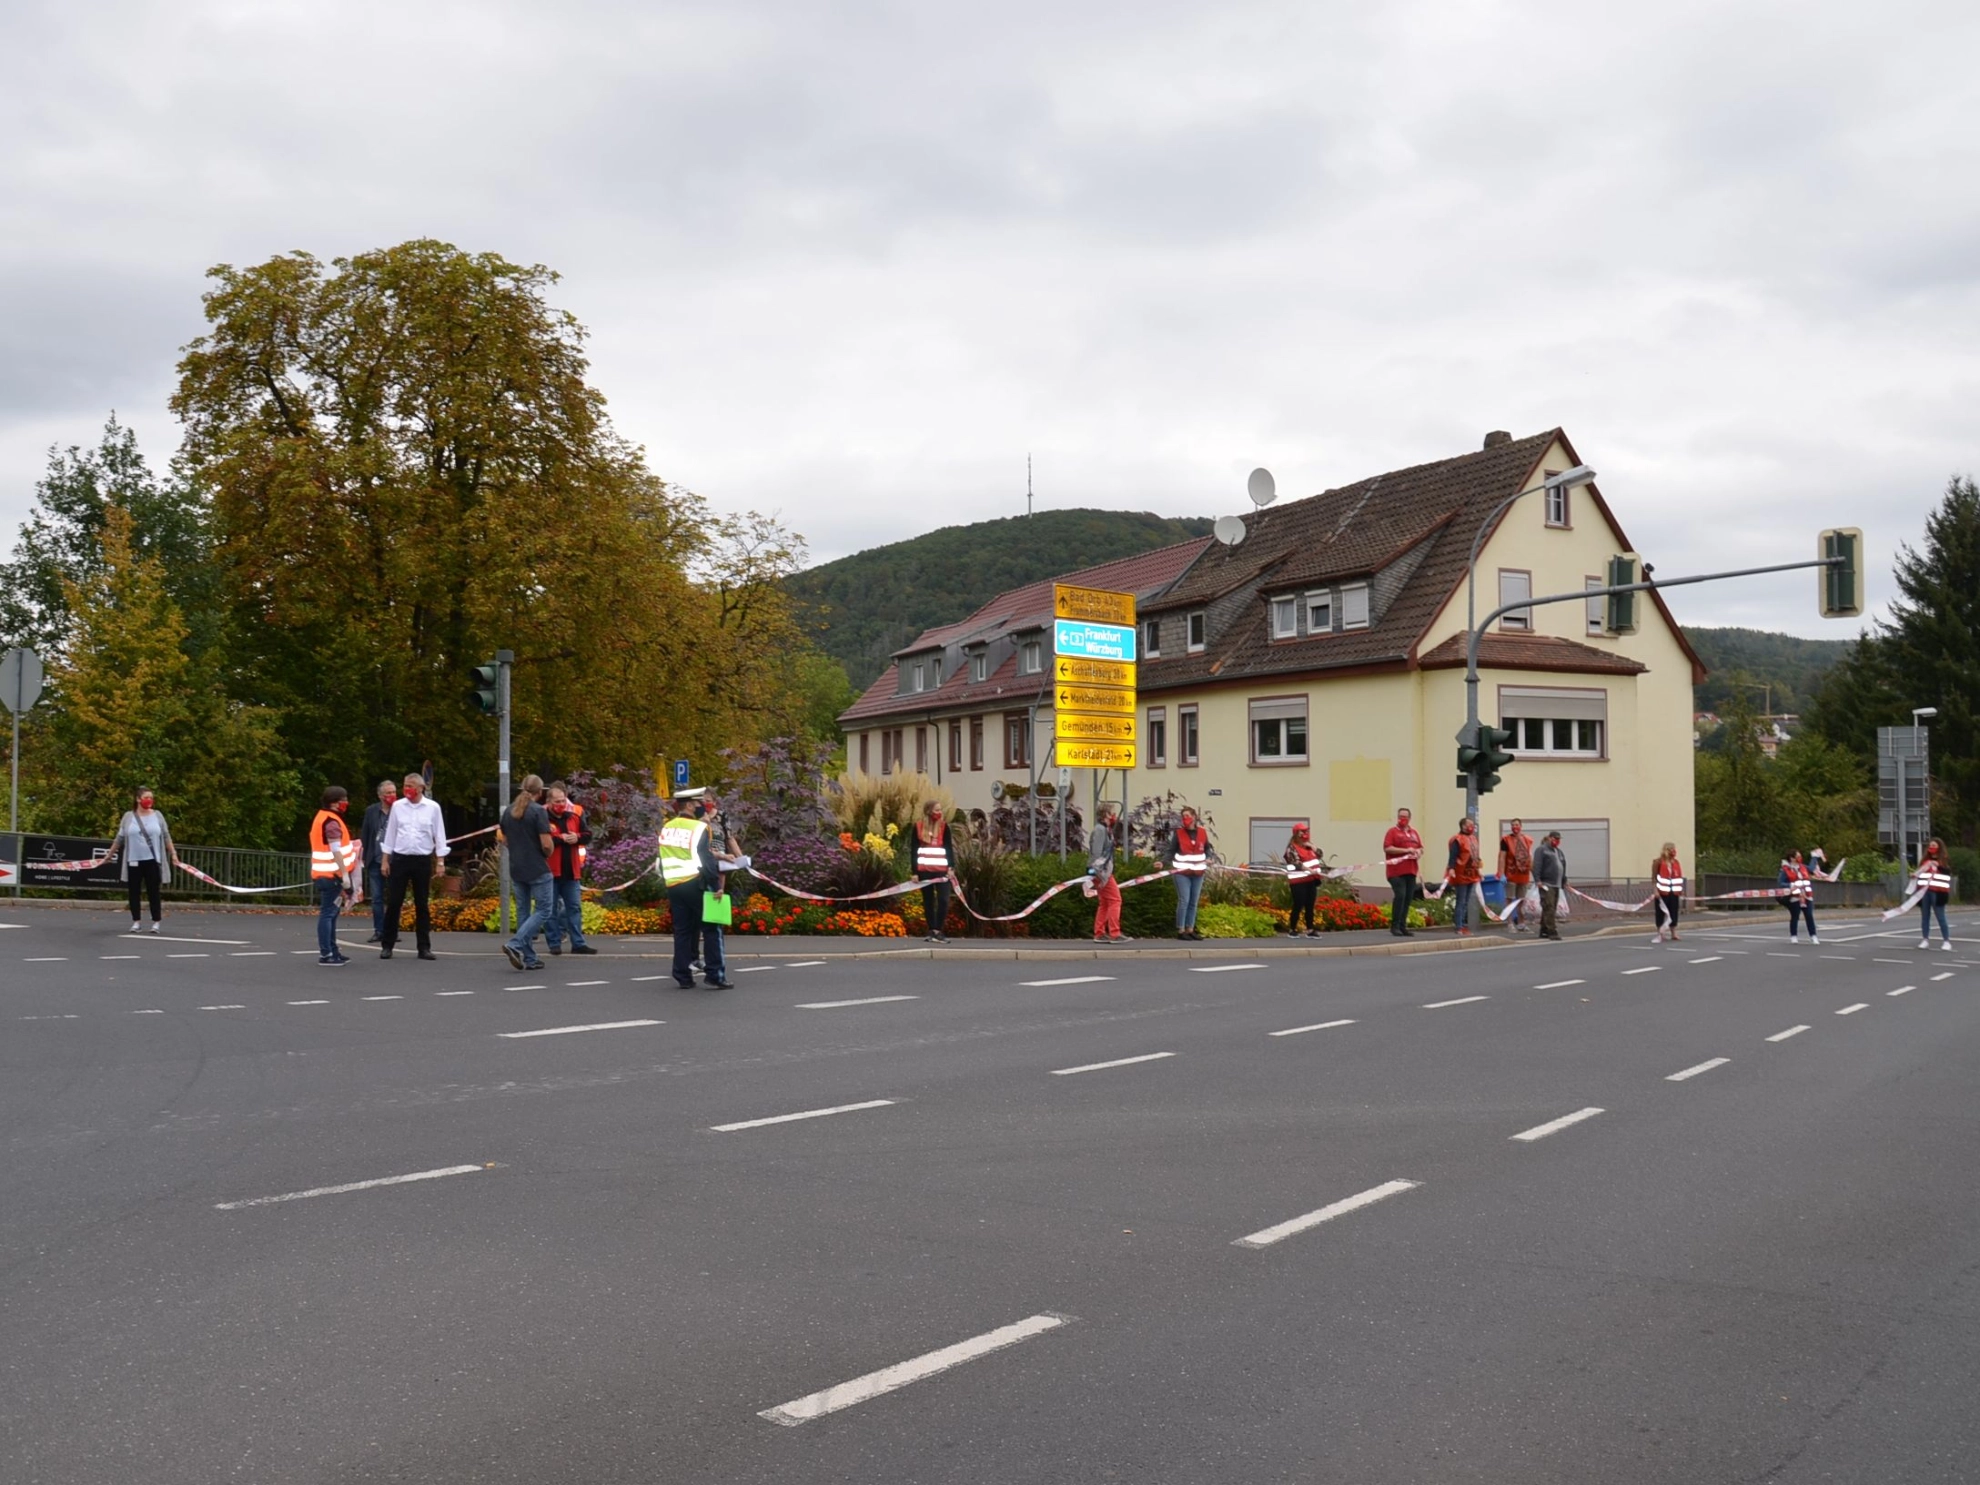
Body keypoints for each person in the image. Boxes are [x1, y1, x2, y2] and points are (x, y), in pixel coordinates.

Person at [660, 791, 728, 989]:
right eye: (698, 802)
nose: (701, 806)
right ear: (689, 805)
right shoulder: (699, 827)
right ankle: (715, 974)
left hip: (674, 885)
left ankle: (683, 975)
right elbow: (705, 859)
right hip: (696, 883)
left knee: (682, 932)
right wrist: (717, 886)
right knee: (712, 928)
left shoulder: (667, 827)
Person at [378, 771, 448, 961]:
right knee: (394, 903)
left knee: (422, 904)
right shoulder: (398, 807)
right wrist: (386, 859)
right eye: (405, 785)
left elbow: (439, 835)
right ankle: (387, 944)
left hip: (422, 859)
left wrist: (440, 861)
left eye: (410, 786)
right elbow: (390, 834)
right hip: (400, 859)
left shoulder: (433, 808)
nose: (406, 789)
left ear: (420, 788)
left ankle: (423, 947)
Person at [498, 775, 555, 971]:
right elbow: (546, 843)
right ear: (540, 792)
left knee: (524, 911)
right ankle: (514, 944)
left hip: (517, 867)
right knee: (544, 910)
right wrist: (548, 852)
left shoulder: (508, 811)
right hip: (537, 867)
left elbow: (504, 840)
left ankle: (530, 958)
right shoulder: (538, 812)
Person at [107, 787, 181, 934]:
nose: (149, 800)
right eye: (146, 797)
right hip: (134, 860)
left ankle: (156, 922)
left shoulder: (158, 816)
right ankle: (136, 922)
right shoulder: (128, 817)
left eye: (151, 798)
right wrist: (109, 854)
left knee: (153, 891)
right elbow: (120, 838)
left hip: (152, 860)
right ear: (138, 799)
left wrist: (173, 854)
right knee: (133, 892)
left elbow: (166, 836)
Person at [542, 781, 596, 957]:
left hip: (572, 872)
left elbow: (588, 835)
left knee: (574, 908)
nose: (560, 805)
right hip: (550, 871)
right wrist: (561, 839)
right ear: (549, 801)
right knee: (550, 910)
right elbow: (541, 840)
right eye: (557, 801)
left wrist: (577, 837)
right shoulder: (542, 818)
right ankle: (554, 943)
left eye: (563, 801)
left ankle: (578, 943)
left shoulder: (574, 817)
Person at [309, 786, 360, 965]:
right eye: (343, 800)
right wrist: (345, 875)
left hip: (326, 874)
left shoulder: (322, 818)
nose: (346, 803)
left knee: (331, 913)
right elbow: (335, 849)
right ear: (334, 802)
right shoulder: (331, 821)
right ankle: (326, 953)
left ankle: (332, 951)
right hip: (332, 875)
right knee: (328, 914)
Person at [1163, 806, 1212, 940]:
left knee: (1193, 902)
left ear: (1194, 817)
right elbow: (1171, 850)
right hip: (1182, 872)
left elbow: (1207, 848)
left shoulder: (1202, 833)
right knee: (1184, 900)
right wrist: (1163, 862)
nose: (1185, 819)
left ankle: (1191, 929)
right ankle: (1181, 930)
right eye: (1183, 816)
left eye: (1188, 816)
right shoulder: (1179, 834)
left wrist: (1209, 857)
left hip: (1198, 873)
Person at [360, 778, 398, 943]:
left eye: (394, 792)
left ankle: (393, 931)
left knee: (394, 897)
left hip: (395, 861)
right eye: (388, 793)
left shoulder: (400, 810)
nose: (392, 795)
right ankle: (379, 930)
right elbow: (366, 835)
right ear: (380, 795)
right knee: (376, 898)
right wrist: (364, 857)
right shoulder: (371, 811)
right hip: (375, 860)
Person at [912, 801, 956, 944]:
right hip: (924, 871)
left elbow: (949, 848)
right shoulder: (918, 827)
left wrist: (951, 867)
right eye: (937, 809)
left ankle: (938, 929)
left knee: (943, 900)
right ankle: (932, 930)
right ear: (929, 811)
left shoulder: (944, 827)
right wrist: (914, 872)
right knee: (928, 901)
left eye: (940, 809)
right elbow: (913, 850)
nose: (940, 812)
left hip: (942, 872)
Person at [1383, 807, 1422, 938]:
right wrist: (1406, 851)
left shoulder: (1414, 833)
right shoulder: (1392, 832)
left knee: (1407, 898)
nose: (1402, 819)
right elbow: (1388, 848)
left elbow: (1420, 848)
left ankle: (1402, 926)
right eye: (1400, 816)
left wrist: (1418, 852)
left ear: (1410, 818)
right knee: (1400, 895)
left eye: (1405, 816)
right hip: (1396, 871)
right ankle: (1395, 926)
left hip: (1411, 870)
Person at [1088, 806, 1125, 943]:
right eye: (1111, 813)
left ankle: (1099, 933)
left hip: (1100, 870)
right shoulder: (1100, 830)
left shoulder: (1104, 830)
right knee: (1116, 900)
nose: (1113, 816)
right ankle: (1115, 933)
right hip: (1102, 871)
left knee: (1104, 903)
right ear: (1105, 815)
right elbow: (1097, 853)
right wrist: (1100, 873)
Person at [1283, 823, 1323, 936]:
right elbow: (1296, 863)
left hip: (1311, 880)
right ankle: (1292, 929)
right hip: (1298, 881)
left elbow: (1319, 855)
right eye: (1302, 831)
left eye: (1306, 831)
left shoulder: (1309, 846)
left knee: (1310, 905)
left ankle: (1310, 929)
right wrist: (1309, 870)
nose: (1305, 834)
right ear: (1296, 833)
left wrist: (1314, 848)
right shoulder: (1292, 848)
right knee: (1298, 904)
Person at [1445, 817, 1483, 936]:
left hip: (1472, 873)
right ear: (1463, 826)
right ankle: (1459, 926)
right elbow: (1453, 855)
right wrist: (1451, 868)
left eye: (1472, 825)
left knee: (1466, 901)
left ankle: (1463, 924)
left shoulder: (1473, 839)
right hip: (1461, 873)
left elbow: (1476, 856)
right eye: (1469, 825)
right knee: (1461, 901)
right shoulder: (1457, 839)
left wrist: (1479, 870)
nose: (1472, 827)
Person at [1915, 838, 1953, 950]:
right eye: (1930, 845)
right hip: (1924, 892)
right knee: (1925, 917)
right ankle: (1925, 939)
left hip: (1939, 892)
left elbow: (1947, 873)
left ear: (1939, 847)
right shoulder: (1924, 860)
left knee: (1941, 917)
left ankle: (1946, 941)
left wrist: (1938, 866)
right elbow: (1920, 873)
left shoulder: (1944, 860)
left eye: (1934, 845)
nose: (1932, 847)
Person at [1498, 819, 1535, 933]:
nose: (1515, 827)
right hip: (1511, 874)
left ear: (1521, 826)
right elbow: (1502, 857)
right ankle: (1510, 923)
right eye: (1513, 825)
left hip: (1523, 874)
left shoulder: (1527, 840)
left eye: (1517, 825)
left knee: (1521, 900)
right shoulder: (1506, 840)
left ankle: (1521, 923)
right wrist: (1501, 873)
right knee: (1510, 899)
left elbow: (1529, 857)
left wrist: (1534, 874)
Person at [1780, 850, 1818, 945]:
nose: (1800, 858)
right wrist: (1791, 885)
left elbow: (1812, 869)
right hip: (1795, 896)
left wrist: (1814, 857)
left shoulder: (1803, 867)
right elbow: (1781, 883)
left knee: (1809, 916)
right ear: (1792, 858)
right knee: (1795, 916)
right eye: (1798, 856)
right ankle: (1794, 936)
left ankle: (1813, 936)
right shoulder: (1786, 870)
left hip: (1806, 896)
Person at [1534, 830, 1567, 940]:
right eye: (1554, 838)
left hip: (1557, 884)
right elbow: (1537, 865)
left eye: (1558, 839)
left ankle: (1543, 930)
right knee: (1549, 907)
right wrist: (1537, 880)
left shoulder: (1559, 852)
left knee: (1550, 907)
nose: (1556, 841)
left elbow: (1563, 866)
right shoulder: (1542, 850)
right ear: (1549, 838)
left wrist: (1564, 880)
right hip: (1546, 883)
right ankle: (1552, 931)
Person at [1653, 843, 1685, 943]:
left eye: (1674, 849)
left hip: (1674, 892)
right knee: (1660, 912)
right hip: (1662, 891)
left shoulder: (1676, 862)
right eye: (1671, 849)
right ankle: (1660, 932)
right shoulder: (1658, 862)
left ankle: (1673, 932)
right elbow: (1654, 878)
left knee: (1673, 912)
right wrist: (1655, 890)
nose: (1673, 851)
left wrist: (1681, 890)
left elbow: (1679, 877)